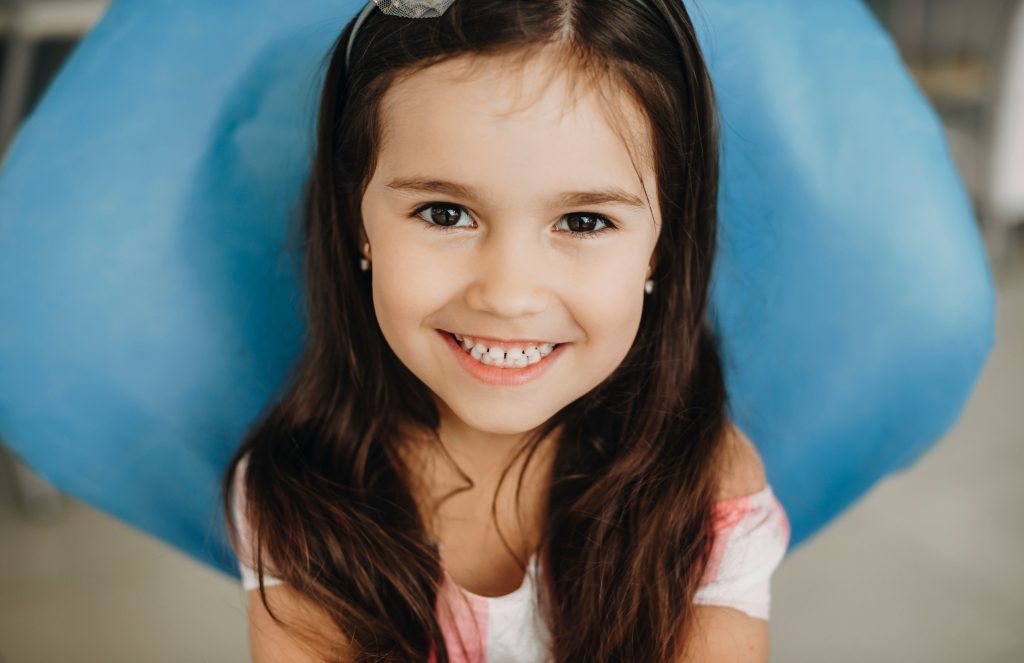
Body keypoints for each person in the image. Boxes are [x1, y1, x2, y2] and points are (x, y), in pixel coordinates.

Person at [222, 0, 790, 660]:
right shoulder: (297, 493)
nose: (508, 295)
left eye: (583, 222)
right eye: (444, 212)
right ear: (358, 221)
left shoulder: (705, 493)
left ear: (661, 244)